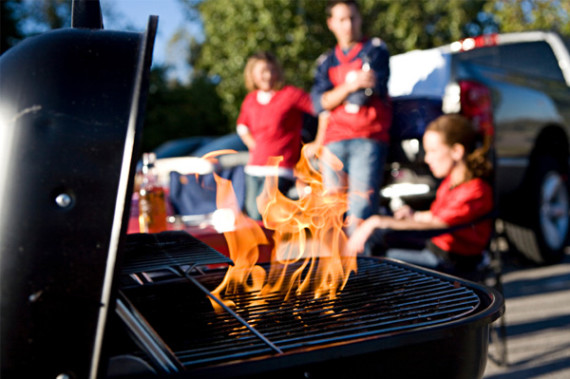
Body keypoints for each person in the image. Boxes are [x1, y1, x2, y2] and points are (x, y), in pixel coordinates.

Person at [347, 114, 494, 278]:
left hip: (452, 262)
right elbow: (438, 215)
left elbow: (439, 224)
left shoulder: (475, 190)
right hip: (435, 249)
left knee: (379, 261)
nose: (427, 158)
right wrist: (414, 215)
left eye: (432, 151)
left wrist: (378, 222)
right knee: (377, 244)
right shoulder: (451, 182)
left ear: (457, 151)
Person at [310, 0, 392, 235]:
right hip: (333, 141)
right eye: (342, 19)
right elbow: (319, 104)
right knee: (332, 211)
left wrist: (335, 96)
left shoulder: (375, 49)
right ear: (331, 23)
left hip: (367, 138)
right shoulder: (326, 61)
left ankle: (363, 267)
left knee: (360, 210)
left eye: (353, 18)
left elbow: (365, 93)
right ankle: (337, 268)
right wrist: (349, 86)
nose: (349, 25)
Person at [237, 51, 315, 220]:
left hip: (280, 168)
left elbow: (320, 109)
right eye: (263, 71)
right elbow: (242, 127)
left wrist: (318, 142)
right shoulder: (250, 100)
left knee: (260, 210)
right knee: (252, 214)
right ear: (253, 75)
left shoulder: (290, 94)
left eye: (271, 70)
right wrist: (254, 146)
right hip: (254, 167)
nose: (268, 75)